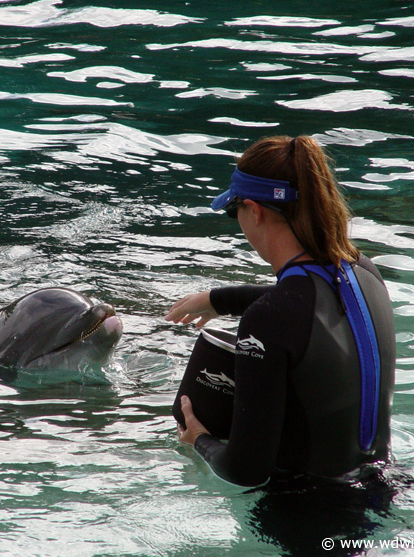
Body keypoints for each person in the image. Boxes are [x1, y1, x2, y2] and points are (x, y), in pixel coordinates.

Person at [165, 135, 396, 487]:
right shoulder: (364, 273)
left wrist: (198, 437)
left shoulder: (271, 318)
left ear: (254, 211)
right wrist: (217, 299)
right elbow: (310, 311)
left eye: (234, 211)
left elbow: (244, 470)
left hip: (308, 519)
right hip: (385, 486)